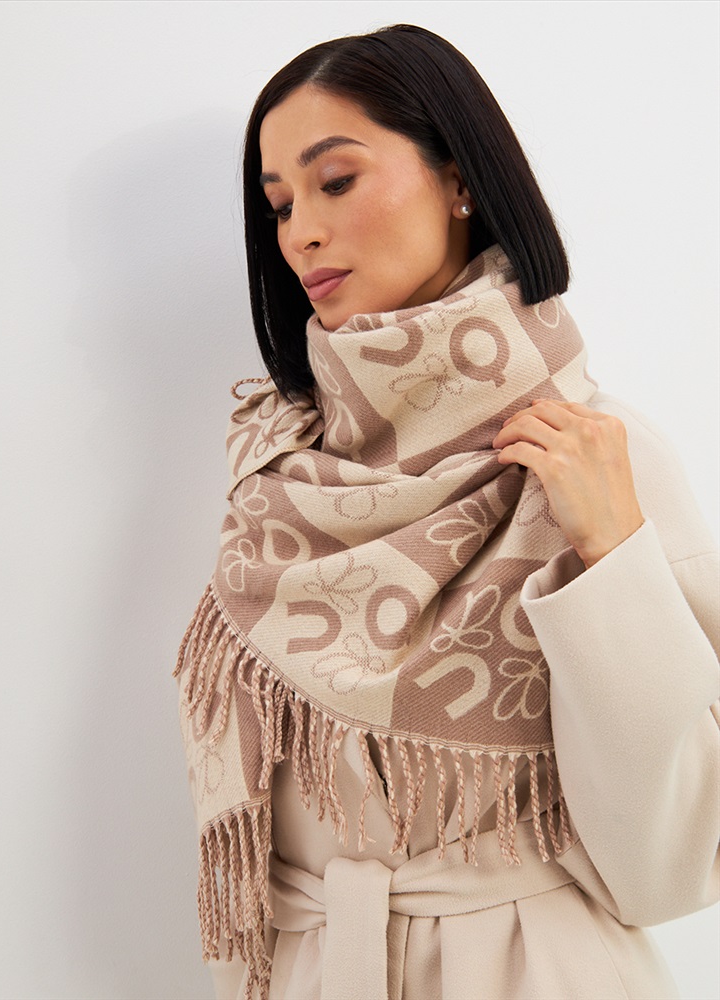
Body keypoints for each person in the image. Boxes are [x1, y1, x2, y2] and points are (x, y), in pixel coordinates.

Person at [174, 24, 719, 1000]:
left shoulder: (595, 456)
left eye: (336, 180)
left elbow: (670, 866)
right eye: (281, 203)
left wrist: (613, 556)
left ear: (459, 179)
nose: (298, 232)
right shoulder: (277, 472)